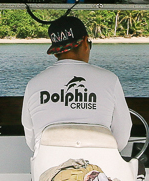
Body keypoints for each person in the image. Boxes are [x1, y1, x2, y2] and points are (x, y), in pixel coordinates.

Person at [21, 15, 132, 153]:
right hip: (98, 164)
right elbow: (123, 132)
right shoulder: (110, 80)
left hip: (49, 166)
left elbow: (31, 138)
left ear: (56, 53)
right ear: (85, 42)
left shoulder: (34, 84)